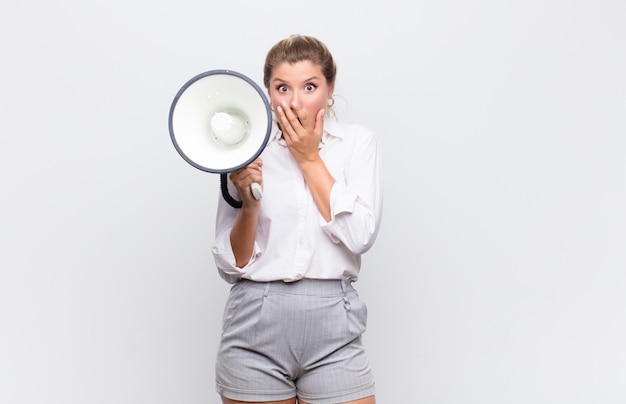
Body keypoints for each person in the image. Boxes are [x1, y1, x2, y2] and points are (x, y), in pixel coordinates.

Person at [211, 34, 383, 404]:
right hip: (255, 324)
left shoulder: (356, 144)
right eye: (282, 87)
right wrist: (250, 201)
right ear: (267, 92)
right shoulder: (245, 152)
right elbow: (232, 264)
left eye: (309, 86)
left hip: (334, 329)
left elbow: (360, 236)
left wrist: (307, 156)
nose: (294, 101)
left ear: (330, 88)